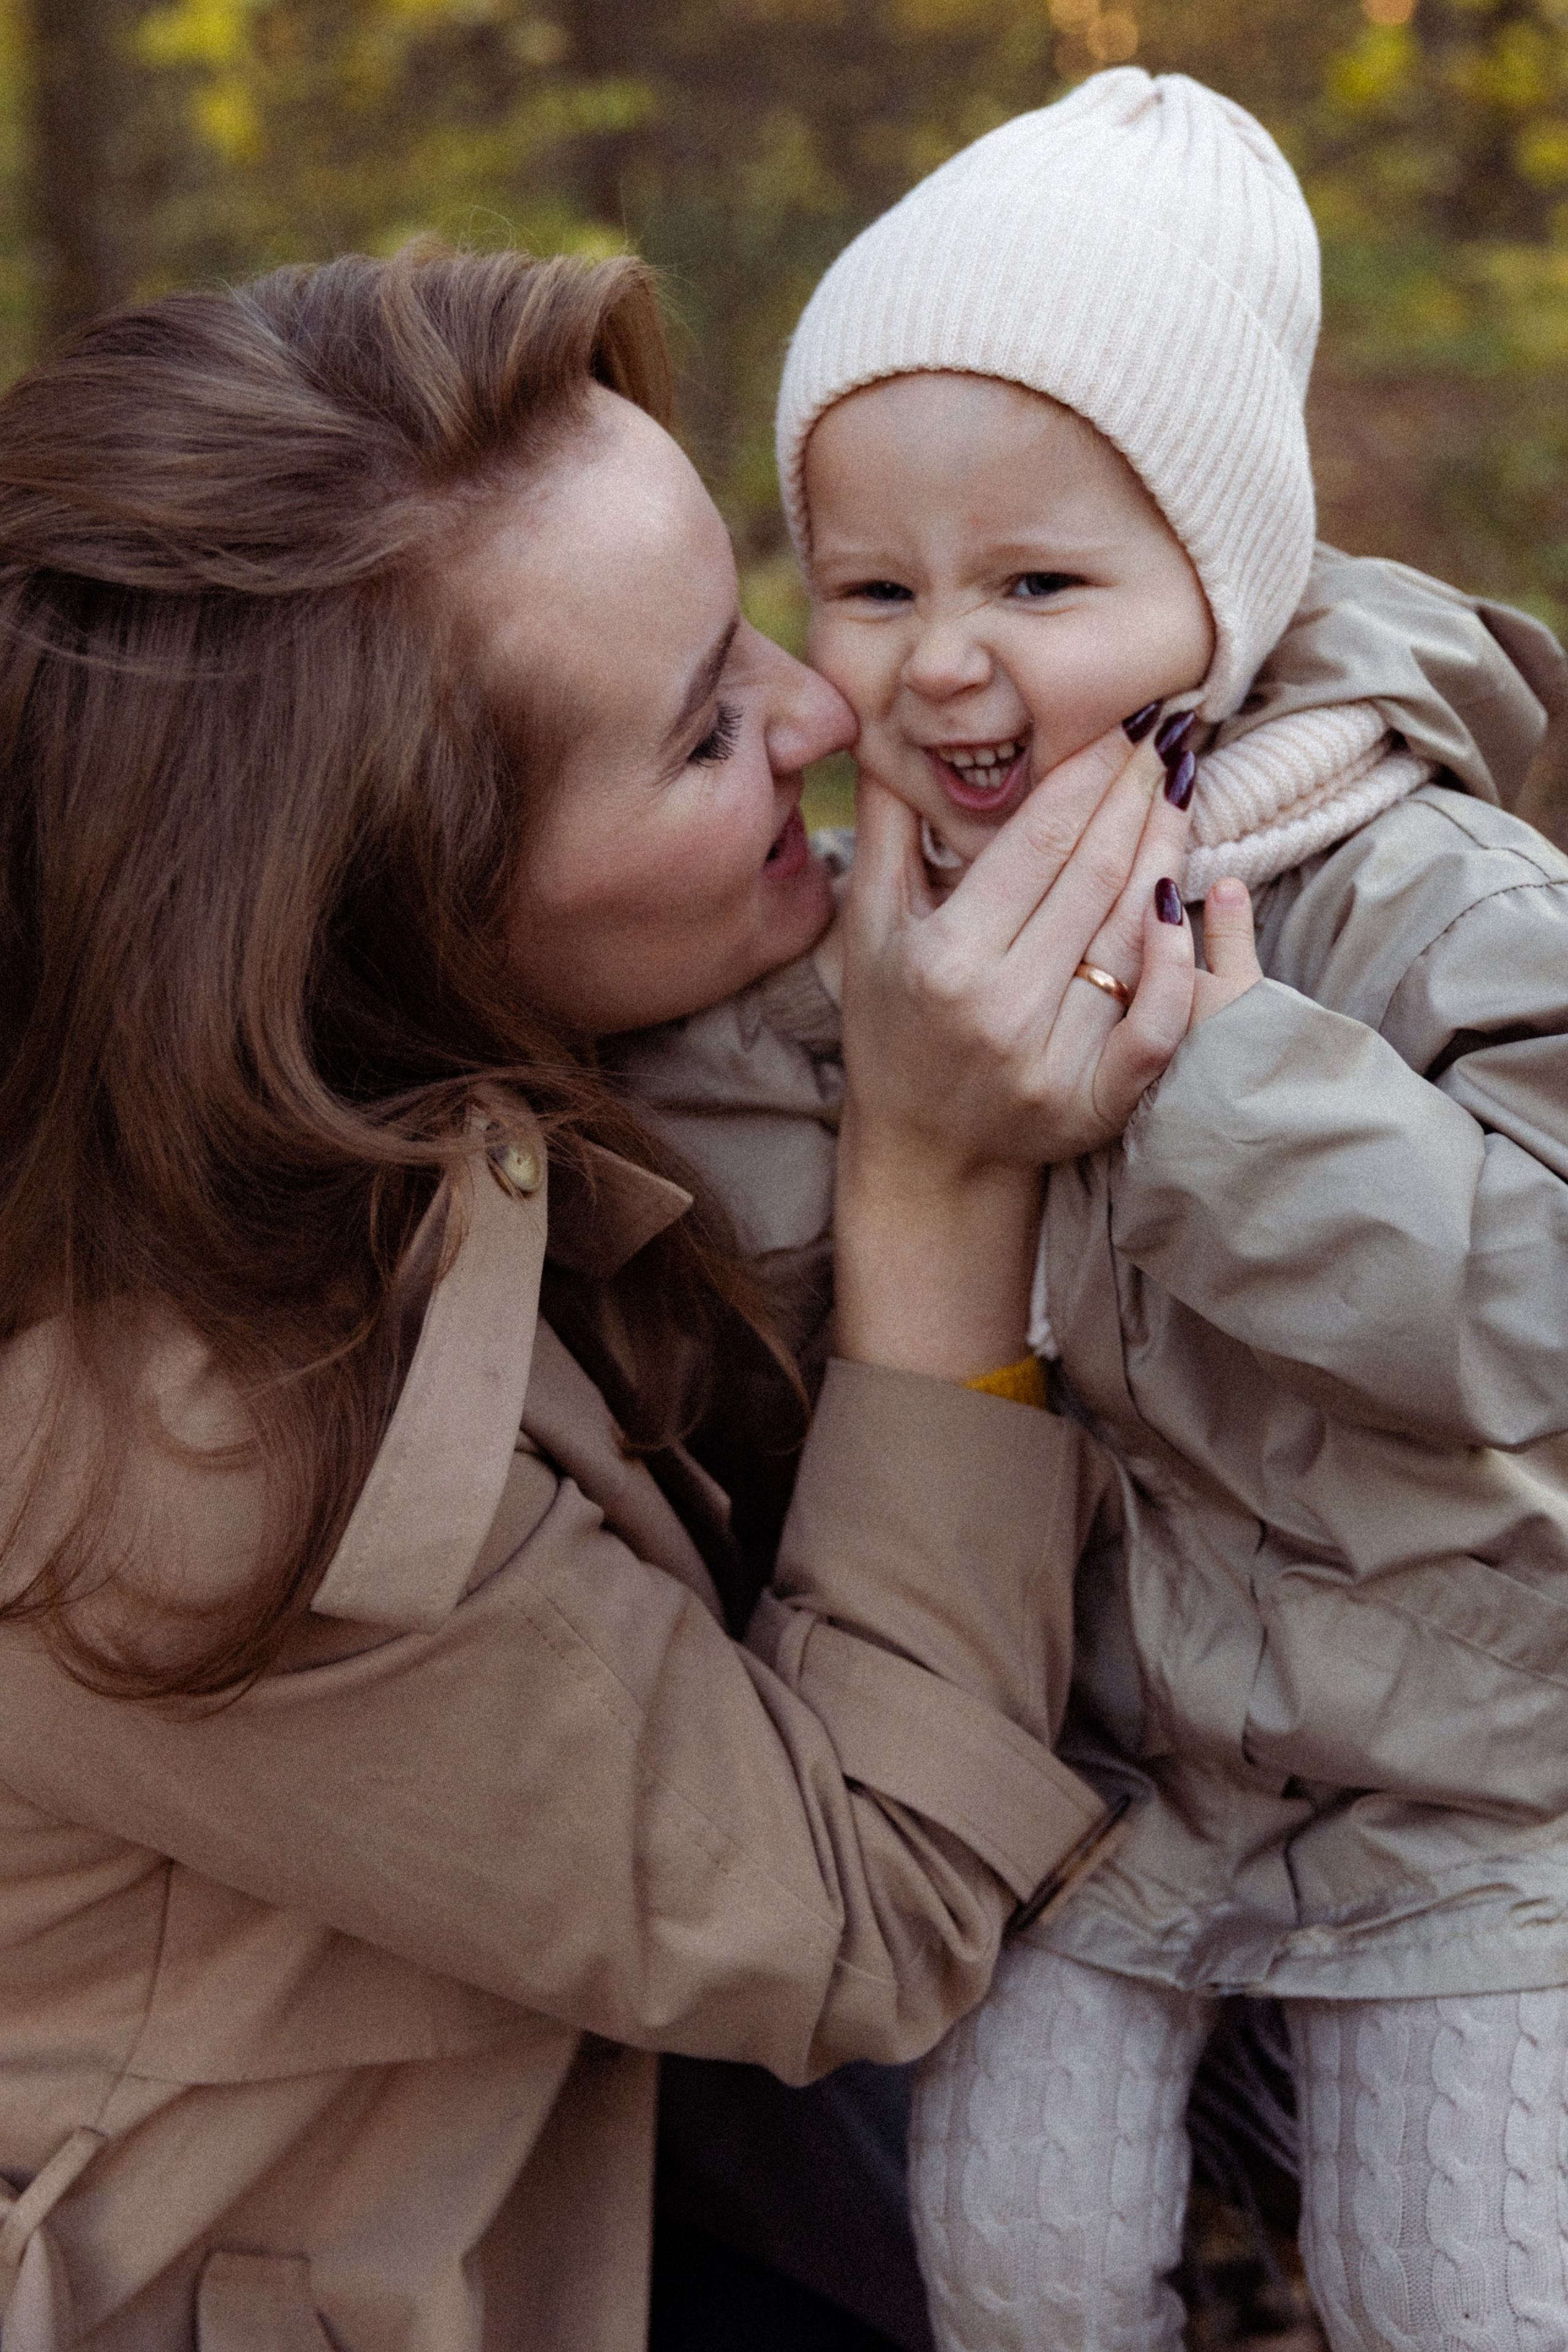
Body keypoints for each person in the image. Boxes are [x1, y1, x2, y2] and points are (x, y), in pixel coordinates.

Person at [0, 241, 1215, 2350]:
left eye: (750, 619)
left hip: (650, 2147)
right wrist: (943, 1183)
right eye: (701, 734)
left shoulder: (387, 1092)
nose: (825, 709)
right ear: (379, 931)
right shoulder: (165, 1457)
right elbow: (869, 1913)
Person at [623, 66, 1568, 2352]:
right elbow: (718, 1226)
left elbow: (1539, 1301)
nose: (945, 659)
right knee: (1017, 2266)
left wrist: (1228, 1095)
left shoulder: (1425, 895)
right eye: (874, 586)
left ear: (1218, 590)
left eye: (1039, 584)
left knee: (1477, 2288)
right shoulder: (874, 930)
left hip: (1463, 1784)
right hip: (1088, 1792)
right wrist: (862, 1087)